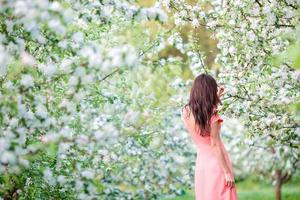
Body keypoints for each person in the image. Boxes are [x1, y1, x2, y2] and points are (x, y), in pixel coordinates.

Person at [181, 73, 238, 200]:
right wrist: (227, 172)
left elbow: (202, 113)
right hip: (217, 164)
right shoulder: (213, 116)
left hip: (202, 164)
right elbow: (215, 144)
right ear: (209, 91)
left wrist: (216, 98)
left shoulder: (185, 112)